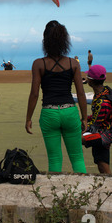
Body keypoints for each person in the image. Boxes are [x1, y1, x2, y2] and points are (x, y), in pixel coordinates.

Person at [25, 20, 87, 174]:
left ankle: (56, 195)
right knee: (77, 158)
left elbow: (34, 94)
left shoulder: (39, 64)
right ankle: (87, 194)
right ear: (64, 40)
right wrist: (84, 117)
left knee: (54, 159)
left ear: (45, 41)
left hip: (49, 113)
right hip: (70, 112)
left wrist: (28, 118)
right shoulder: (73, 63)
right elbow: (80, 93)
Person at [82, 65, 112, 174]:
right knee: (102, 162)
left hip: (104, 133)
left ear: (91, 81)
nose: (87, 78)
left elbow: (95, 125)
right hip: (104, 130)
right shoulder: (103, 92)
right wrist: (85, 118)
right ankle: (108, 181)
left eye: (88, 76)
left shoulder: (102, 102)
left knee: (76, 138)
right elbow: (96, 117)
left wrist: (83, 126)